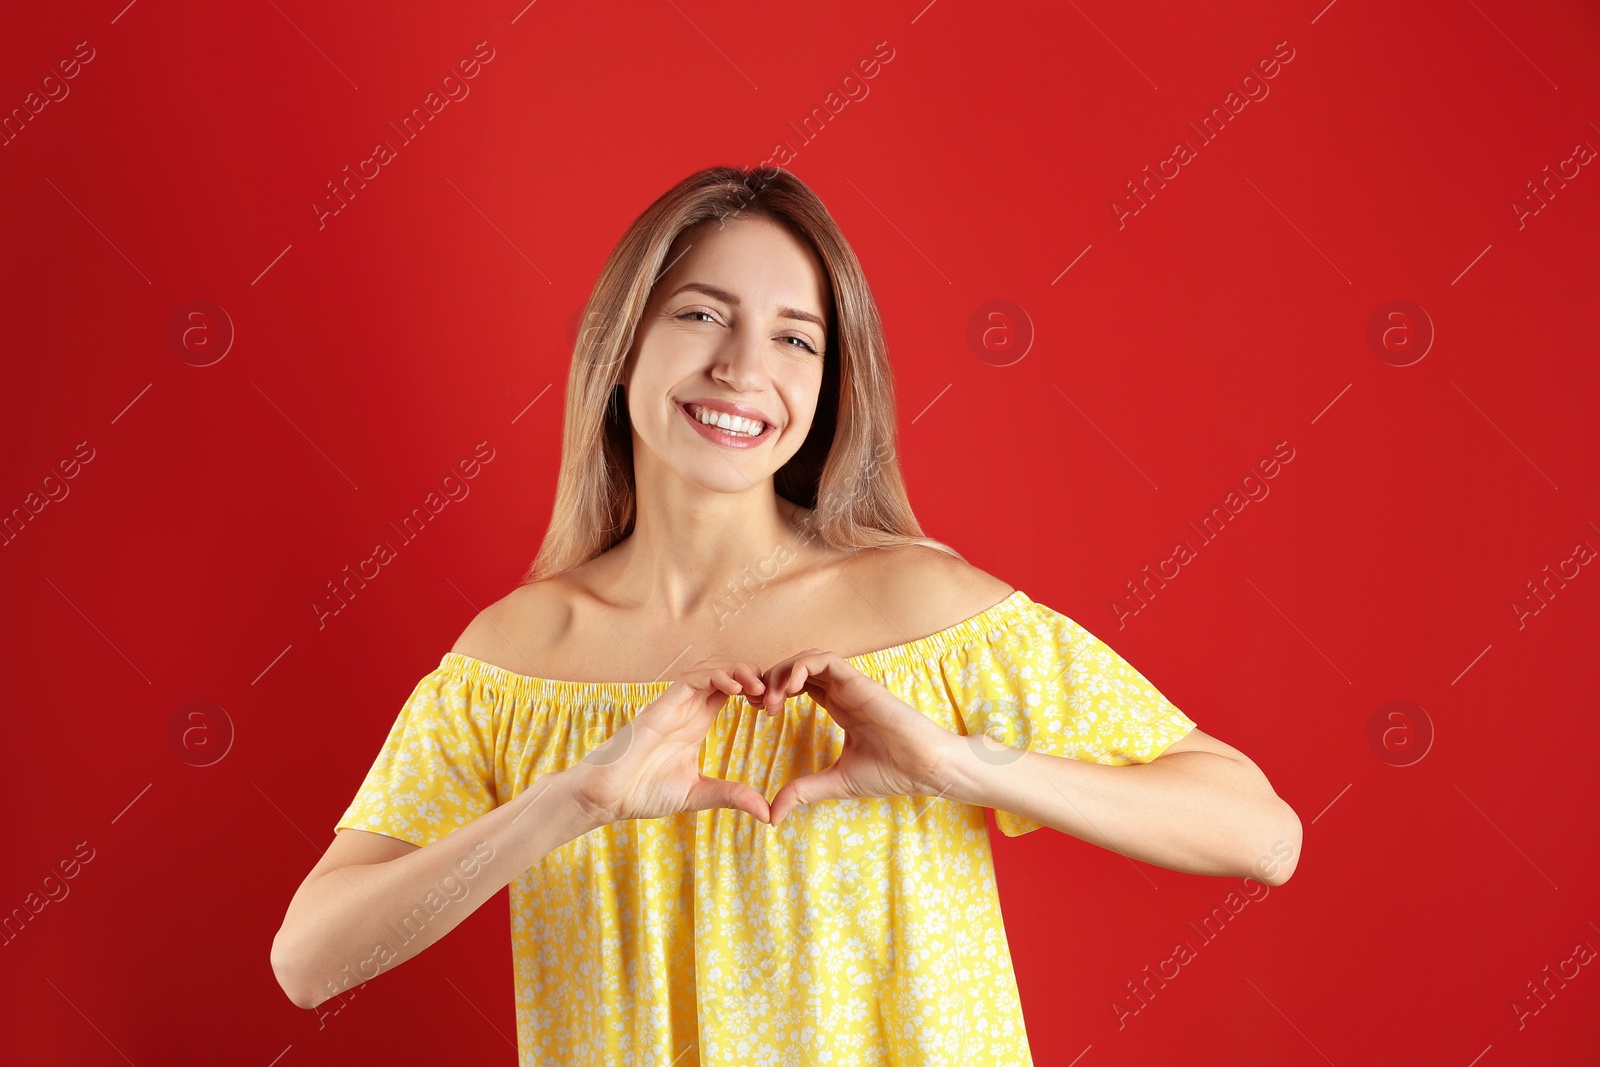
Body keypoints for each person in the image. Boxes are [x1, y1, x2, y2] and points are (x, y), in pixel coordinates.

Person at [270, 165, 1302, 1064]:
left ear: (829, 383)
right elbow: (311, 958)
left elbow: (1260, 834)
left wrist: (953, 762)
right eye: (701, 313)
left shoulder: (916, 604)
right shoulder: (518, 656)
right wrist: (570, 801)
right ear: (622, 344)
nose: (743, 367)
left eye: (795, 338)